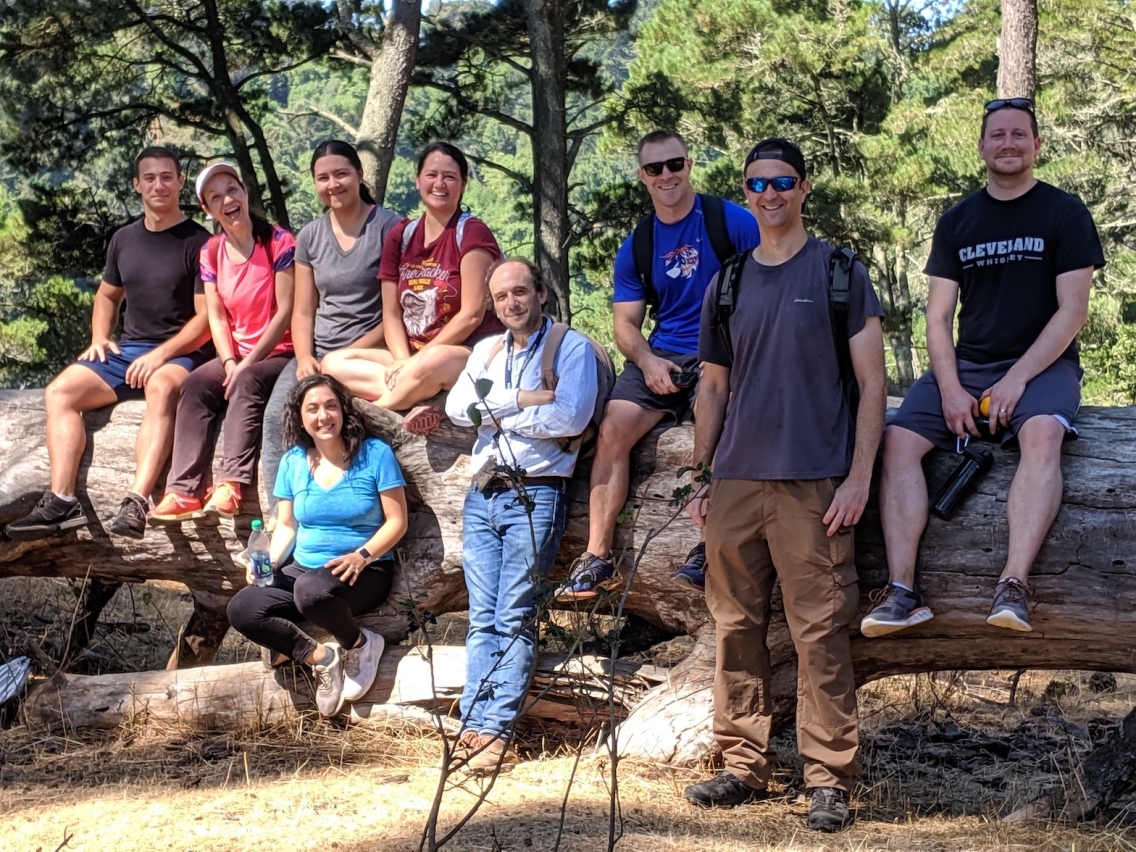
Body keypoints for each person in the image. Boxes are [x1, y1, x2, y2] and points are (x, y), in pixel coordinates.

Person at [681, 139, 886, 833]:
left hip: (814, 483)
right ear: (747, 193)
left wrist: (859, 477)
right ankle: (743, 765)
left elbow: (872, 383)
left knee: (820, 632)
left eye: (783, 182)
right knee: (735, 628)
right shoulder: (729, 280)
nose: (770, 194)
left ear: (803, 189)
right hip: (737, 481)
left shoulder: (838, 271)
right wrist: (701, 475)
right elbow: (712, 385)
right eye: (757, 184)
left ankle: (828, 778)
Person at [862, 98, 1104, 637]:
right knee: (898, 443)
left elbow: (1074, 310)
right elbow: (939, 316)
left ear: (1037, 146)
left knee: (1042, 435)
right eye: (998, 135)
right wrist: (949, 387)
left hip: (1043, 365)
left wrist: (1017, 378)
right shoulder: (957, 221)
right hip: (968, 364)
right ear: (982, 147)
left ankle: (1012, 586)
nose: (1009, 143)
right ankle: (903, 592)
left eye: (1020, 134)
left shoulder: (1064, 213)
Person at [561, 129, 759, 599]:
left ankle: (706, 546)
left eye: (674, 164)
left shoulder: (730, 221)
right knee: (612, 427)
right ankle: (597, 558)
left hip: (725, 347)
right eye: (655, 168)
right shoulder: (639, 245)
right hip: (665, 351)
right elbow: (626, 326)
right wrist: (648, 360)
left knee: (718, 422)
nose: (666, 175)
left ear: (688, 164)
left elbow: (767, 281)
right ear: (642, 177)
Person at [4, 147, 212, 542]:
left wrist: (161, 355)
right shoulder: (124, 239)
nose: (159, 185)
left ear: (180, 182)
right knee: (61, 392)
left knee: (161, 386)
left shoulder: (198, 242)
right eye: (149, 178)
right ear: (137, 185)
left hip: (185, 351)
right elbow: (107, 296)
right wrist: (100, 337)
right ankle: (63, 501)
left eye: (167, 177)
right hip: (129, 350)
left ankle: (136, 501)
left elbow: (205, 320)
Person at [444, 257, 598, 773]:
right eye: (502, 296)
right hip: (483, 494)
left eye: (521, 292)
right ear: (492, 303)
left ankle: (494, 732)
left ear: (541, 294)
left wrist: (500, 412)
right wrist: (525, 399)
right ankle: (472, 726)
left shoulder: (570, 347)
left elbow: (571, 415)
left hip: (536, 495)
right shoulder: (485, 350)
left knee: (514, 614)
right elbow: (456, 410)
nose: (512, 303)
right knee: (481, 617)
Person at [227, 374, 408, 716]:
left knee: (311, 591)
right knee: (242, 608)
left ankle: (360, 645)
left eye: (330, 406)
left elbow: (397, 522)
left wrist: (363, 555)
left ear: (343, 411)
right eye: (313, 409)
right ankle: (321, 658)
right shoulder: (293, 462)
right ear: (300, 417)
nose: (323, 416)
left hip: (365, 569)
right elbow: (286, 525)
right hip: (306, 570)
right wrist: (267, 562)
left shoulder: (375, 454)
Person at [147, 162, 295, 524]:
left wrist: (246, 363)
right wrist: (229, 360)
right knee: (195, 383)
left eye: (232, 190)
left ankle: (231, 483)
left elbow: (287, 311)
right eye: (216, 197)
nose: (227, 200)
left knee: (246, 381)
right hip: (236, 354)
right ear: (207, 209)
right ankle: (183, 491)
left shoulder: (278, 242)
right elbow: (216, 314)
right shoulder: (212, 251)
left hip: (279, 352)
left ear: (244, 191)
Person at [322, 142, 503, 436]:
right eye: (431, 175)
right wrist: (404, 361)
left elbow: (471, 314)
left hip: (466, 354)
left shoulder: (471, 233)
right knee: (332, 363)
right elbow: (392, 314)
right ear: (418, 181)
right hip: (412, 354)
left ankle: (377, 414)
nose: (440, 184)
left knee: (435, 360)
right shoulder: (403, 235)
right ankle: (420, 396)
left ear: (463, 184)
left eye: (450, 177)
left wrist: (418, 361)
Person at [261, 140, 401, 510]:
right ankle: (279, 516)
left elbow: (395, 311)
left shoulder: (390, 227)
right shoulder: (310, 235)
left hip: (369, 349)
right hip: (318, 352)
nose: (333, 184)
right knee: (279, 414)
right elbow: (304, 310)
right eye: (323, 178)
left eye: (341, 174)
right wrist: (305, 357)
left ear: (359, 173)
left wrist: (347, 353)